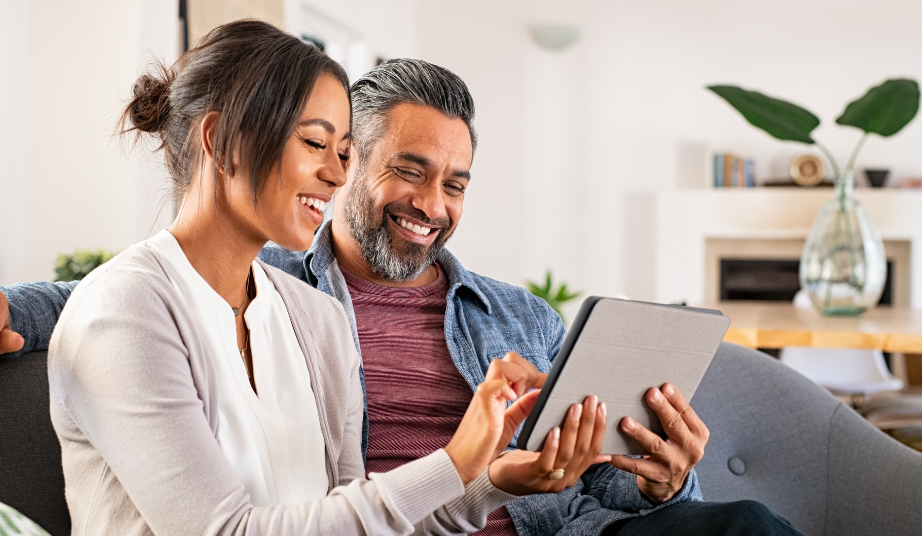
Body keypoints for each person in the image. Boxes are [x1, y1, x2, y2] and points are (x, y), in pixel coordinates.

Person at [0, 56, 801, 535]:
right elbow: (141, 294)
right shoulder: (287, 293)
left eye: (455, 183)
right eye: (409, 169)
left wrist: (661, 477)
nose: (432, 203)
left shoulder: (520, 317)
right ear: (353, 166)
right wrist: (16, 310)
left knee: (745, 525)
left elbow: (599, 488)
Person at [26, 20, 611, 535]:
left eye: (345, 151)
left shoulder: (315, 318)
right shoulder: (122, 310)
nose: (336, 175)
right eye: (315, 143)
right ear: (219, 140)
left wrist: (492, 479)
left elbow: (353, 518)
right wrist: (455, 461)